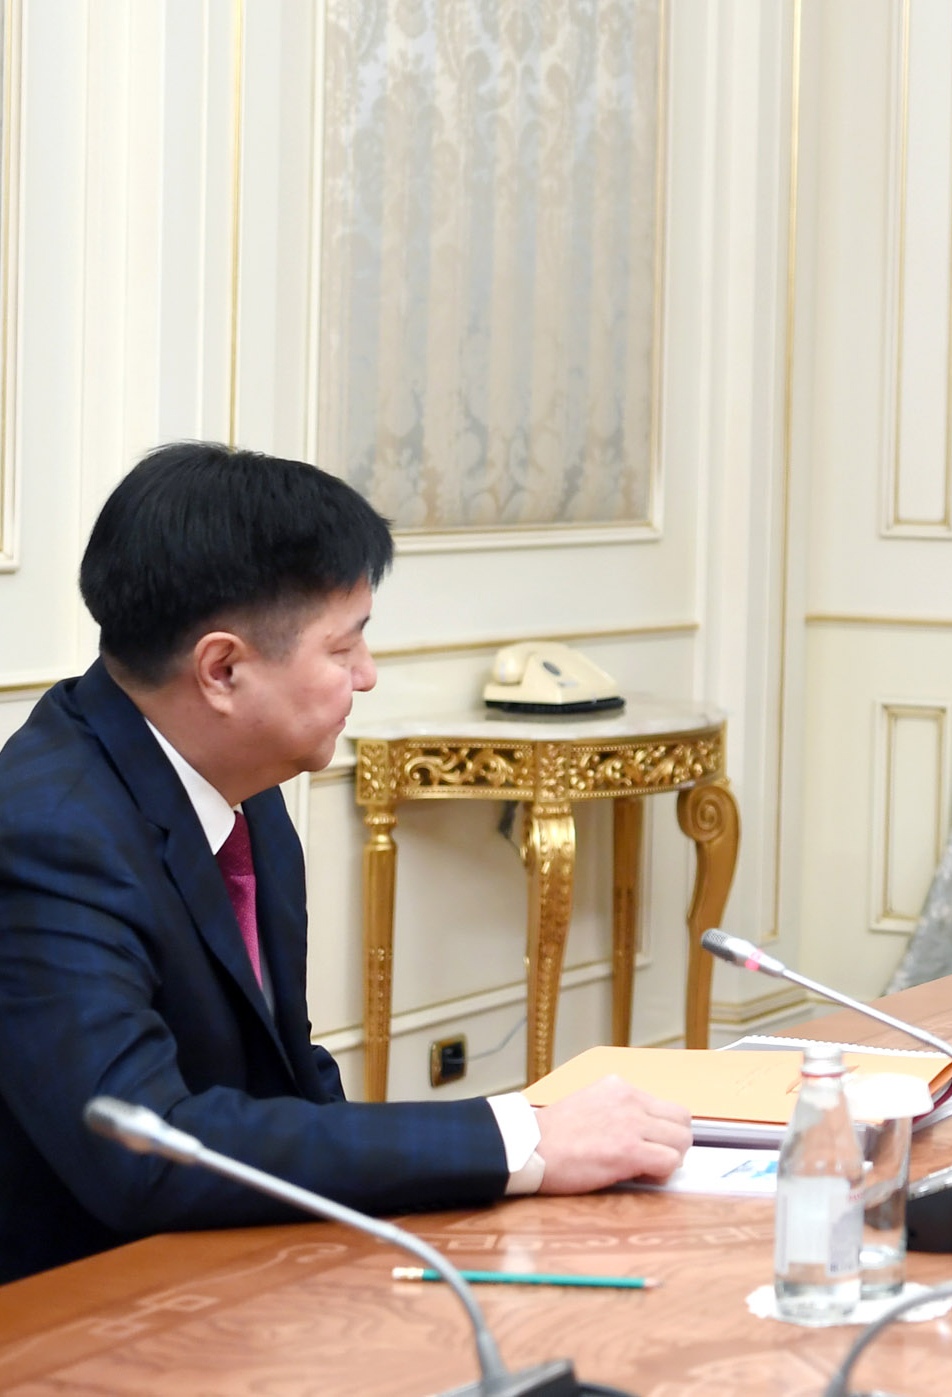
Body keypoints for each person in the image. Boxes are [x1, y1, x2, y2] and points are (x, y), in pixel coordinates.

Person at [0, 444, 695, 1283]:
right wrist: (521, 1138)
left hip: (237, 1267)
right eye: (343, 648)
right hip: (75, 1304)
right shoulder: (48, 833)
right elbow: (149, 1148)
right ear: (222, 669)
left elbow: (287, 1080)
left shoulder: (243, 781)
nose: (366, 676)